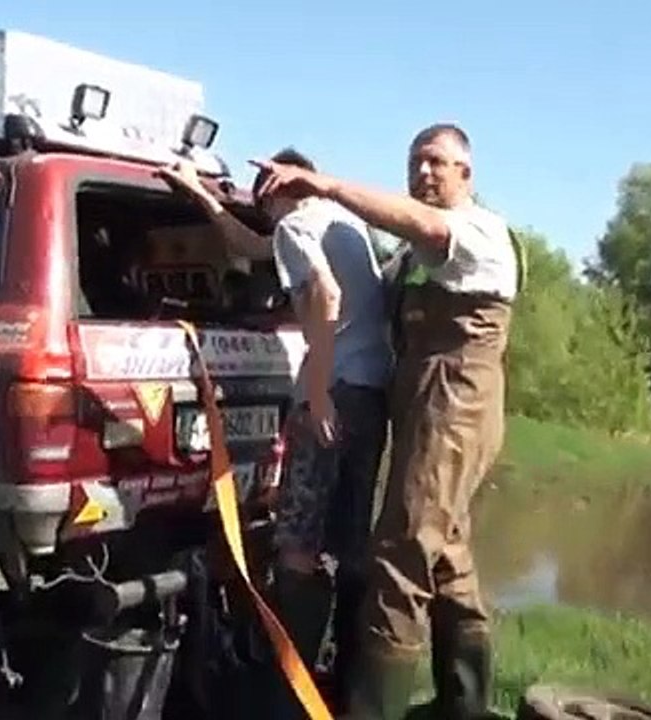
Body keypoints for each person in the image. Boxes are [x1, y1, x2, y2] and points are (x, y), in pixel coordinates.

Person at [252, 124, 520, 720]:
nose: (423, 172)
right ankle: (463, 706)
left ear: (466, 173)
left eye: (437, 162)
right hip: (420, 400)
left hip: (455, 402)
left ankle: (370, 709)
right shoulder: (411, 256)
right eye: (415, 162)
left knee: (400, 556)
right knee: (447, 553)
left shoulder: (477, 230)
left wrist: (323, 185)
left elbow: (422, 226)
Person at [158, 150, 392, 717]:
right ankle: (346, 687)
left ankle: (287, 693)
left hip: (333, 390)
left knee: (296, 543)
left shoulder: (294, 226)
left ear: (274, 192)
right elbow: (252, 246)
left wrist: (317, 388)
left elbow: (324, 293)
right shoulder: (342, 222)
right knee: (352, 544)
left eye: (261, 200)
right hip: (372, 389)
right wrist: (202, 196)